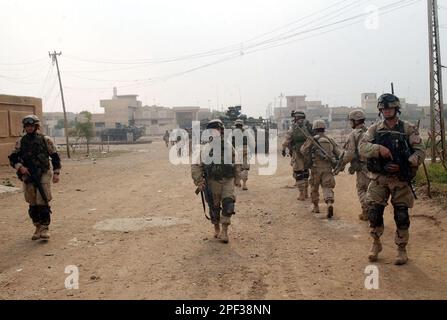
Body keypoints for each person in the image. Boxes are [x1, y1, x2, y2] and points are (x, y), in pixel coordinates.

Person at [359, 93, 425, 265]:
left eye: (390, 108)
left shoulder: (408, 129)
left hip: (400, 180)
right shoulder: (374, 129)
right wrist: (378, 148)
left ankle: (401, 248)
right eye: (384, 108)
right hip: (380, 178)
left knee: (401, 215)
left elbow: (420, 152)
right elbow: (362, 148)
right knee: (374, 212)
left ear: (396, 109)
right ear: (380, 110)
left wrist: (405, 164)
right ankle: (376, 243)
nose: (387, 111)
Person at [8, 115, 62, 240]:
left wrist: (56, 173)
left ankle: (45, 228)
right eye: (27, 126)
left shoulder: (45, 140)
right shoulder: (21, 142)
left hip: (43, 172)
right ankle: (37, 226)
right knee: (32, 202)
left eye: (32, 126)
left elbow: (55, 157)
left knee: (42, 199)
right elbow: (13, 158)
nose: (29, 128)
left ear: (36, 126)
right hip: (28, 175)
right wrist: (20, 167)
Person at [191, 119, 241, 243]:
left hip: (227, 180)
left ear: (221, 131)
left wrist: (237, 177)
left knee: (229, 204)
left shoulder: (229, 146)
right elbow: (196, 166)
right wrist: (199, 181)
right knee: (214, 207)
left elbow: (237, 162)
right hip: (212, 181)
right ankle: (216, 227)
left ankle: (224, 231)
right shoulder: (204, 148)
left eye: (217, 130)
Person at [301, 119, 342, 218]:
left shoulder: (312, 139)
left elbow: (303, 151)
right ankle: (329, 203)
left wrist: (310, 143)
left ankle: (316, 207)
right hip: (327, 168)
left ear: (314, 129)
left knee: (314, 188)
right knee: (327, 187)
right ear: (324, 128)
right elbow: (339, 154)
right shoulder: (330, 139)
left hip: (315, 169)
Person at [335, 110, 371, 221]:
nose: (350, 123)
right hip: (373, 167)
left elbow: (350, 154)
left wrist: (342, 164)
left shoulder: (354, 134)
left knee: (362, 189)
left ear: (354, 121)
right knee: (371, 189)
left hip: (362, 167)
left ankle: (368, 211)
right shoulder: (370, 131)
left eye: (350, 121)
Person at [281, 111, 313, 200]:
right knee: (306, 172)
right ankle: (306, 192)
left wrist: (283, 149)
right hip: (308, 153)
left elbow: (287, 139)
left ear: (296, 117)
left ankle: (301, 194)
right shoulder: (309, 126)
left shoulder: (294, 127)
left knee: (299, 173)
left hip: (297, 153)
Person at [233, 119, 255, 191]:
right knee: (245, 167)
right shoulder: (246, 132)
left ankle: (238, 182)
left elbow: (229, 143)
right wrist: (251, 150)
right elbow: (251, 142)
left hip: (236, 150)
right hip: (245, 149)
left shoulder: (233, 132)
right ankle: (244, 184)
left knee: (237, 167)